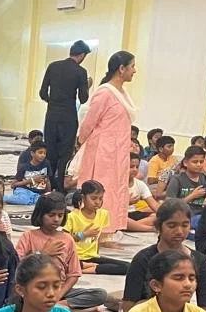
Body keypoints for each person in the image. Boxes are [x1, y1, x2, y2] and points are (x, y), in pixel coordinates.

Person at [15, 193, 110, 312]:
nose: (56, 219)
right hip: (36, 289)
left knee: (100, 294)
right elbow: (16, 264)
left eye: (60, 215)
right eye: (51, 215)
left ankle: (56, 305)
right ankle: (74, 310)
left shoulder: (67, 239)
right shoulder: (28, 236)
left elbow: (74, 274)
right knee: (17, 296)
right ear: (40, 215)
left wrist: (58, 295)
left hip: (60, 290)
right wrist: (41, 254)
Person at [120, 200, 206, 312]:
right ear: (159, 226)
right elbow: (129, 306)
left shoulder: (199, 260)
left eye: (185, 225)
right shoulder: (143, 259)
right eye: (172, 225)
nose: (179, 231)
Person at [76, 52, 138, 231]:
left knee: (117, 189)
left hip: (119, 150)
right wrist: (80, 142)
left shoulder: (123, 92)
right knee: (102, 189)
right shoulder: (105, 92)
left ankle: (110, 229)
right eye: (132, 66)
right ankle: (95, 230)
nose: (134, 70)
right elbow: (89, 121)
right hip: (103, 151)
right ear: (121, 69)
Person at [39, 41, 91, 191]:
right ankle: (60, 187)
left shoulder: (53, 66)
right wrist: (86, 86)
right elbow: (83, 98)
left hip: (52, 115)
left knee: (51, 149)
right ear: (81, 55)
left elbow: (42, 93)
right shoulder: (80, 71)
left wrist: (53, 102)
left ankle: (47, 185)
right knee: (65, 153)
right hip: (68, 116)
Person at [65, 181, 128, 275]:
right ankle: (84, 266)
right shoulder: (72, 216)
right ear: (83, 198)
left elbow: (97, 239)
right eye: (93, 198)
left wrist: (97, 254)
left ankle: (88, 268)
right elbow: (64, 239)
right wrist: (84, 234)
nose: (97, 202)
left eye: (100, 198)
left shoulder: (103, 214)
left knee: (128, 267)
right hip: (76, 257)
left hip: (93, 257)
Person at [163, 146, 206, 219]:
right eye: (195, 162)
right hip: (183, 215)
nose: (199, 165)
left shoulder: (205, 177)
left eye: (201, 162)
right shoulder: (177, 179)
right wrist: (192, 196)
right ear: (186, 163)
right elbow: (169, 204)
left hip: (203, 214)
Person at [126, 150, 159, 229]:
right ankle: (148, 229)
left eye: (137, 167)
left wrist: (167, 214)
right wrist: (127, 202)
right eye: (131, 166)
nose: (135, 169)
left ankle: (132, 226)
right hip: (120, 215)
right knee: (121, 220)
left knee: (156, 217)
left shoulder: (140, 184)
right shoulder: (115, 184)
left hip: (133, 213)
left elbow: (153, 204)